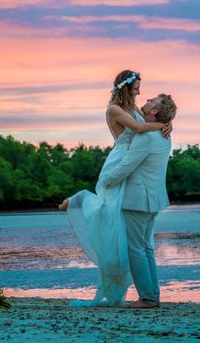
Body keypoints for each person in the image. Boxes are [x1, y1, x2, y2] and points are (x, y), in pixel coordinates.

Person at [58, 70, 171, 306]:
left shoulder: (139, 112)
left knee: (134, 241)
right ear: (126, 87)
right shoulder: (115, 110)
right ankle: (77, 200)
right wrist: (164, 123)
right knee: (109, 211)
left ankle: (150, 297)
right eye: (137, 87)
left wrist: (167, 123)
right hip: (122, 158)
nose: (141, 92)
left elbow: (151, 121)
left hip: (133, 170)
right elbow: (141, 129)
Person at [103, 93, 177, 309]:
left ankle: (148, 298)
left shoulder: (147, 136)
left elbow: (127, 165)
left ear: (154, 111)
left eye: (152, 101)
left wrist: (106, 180)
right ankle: (152, 294)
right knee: (145, 248)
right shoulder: (164, 134)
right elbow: (133, 110)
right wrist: (168, 122)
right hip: (152, 198)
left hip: (137, 199)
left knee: (136, 249)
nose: (147, 100)